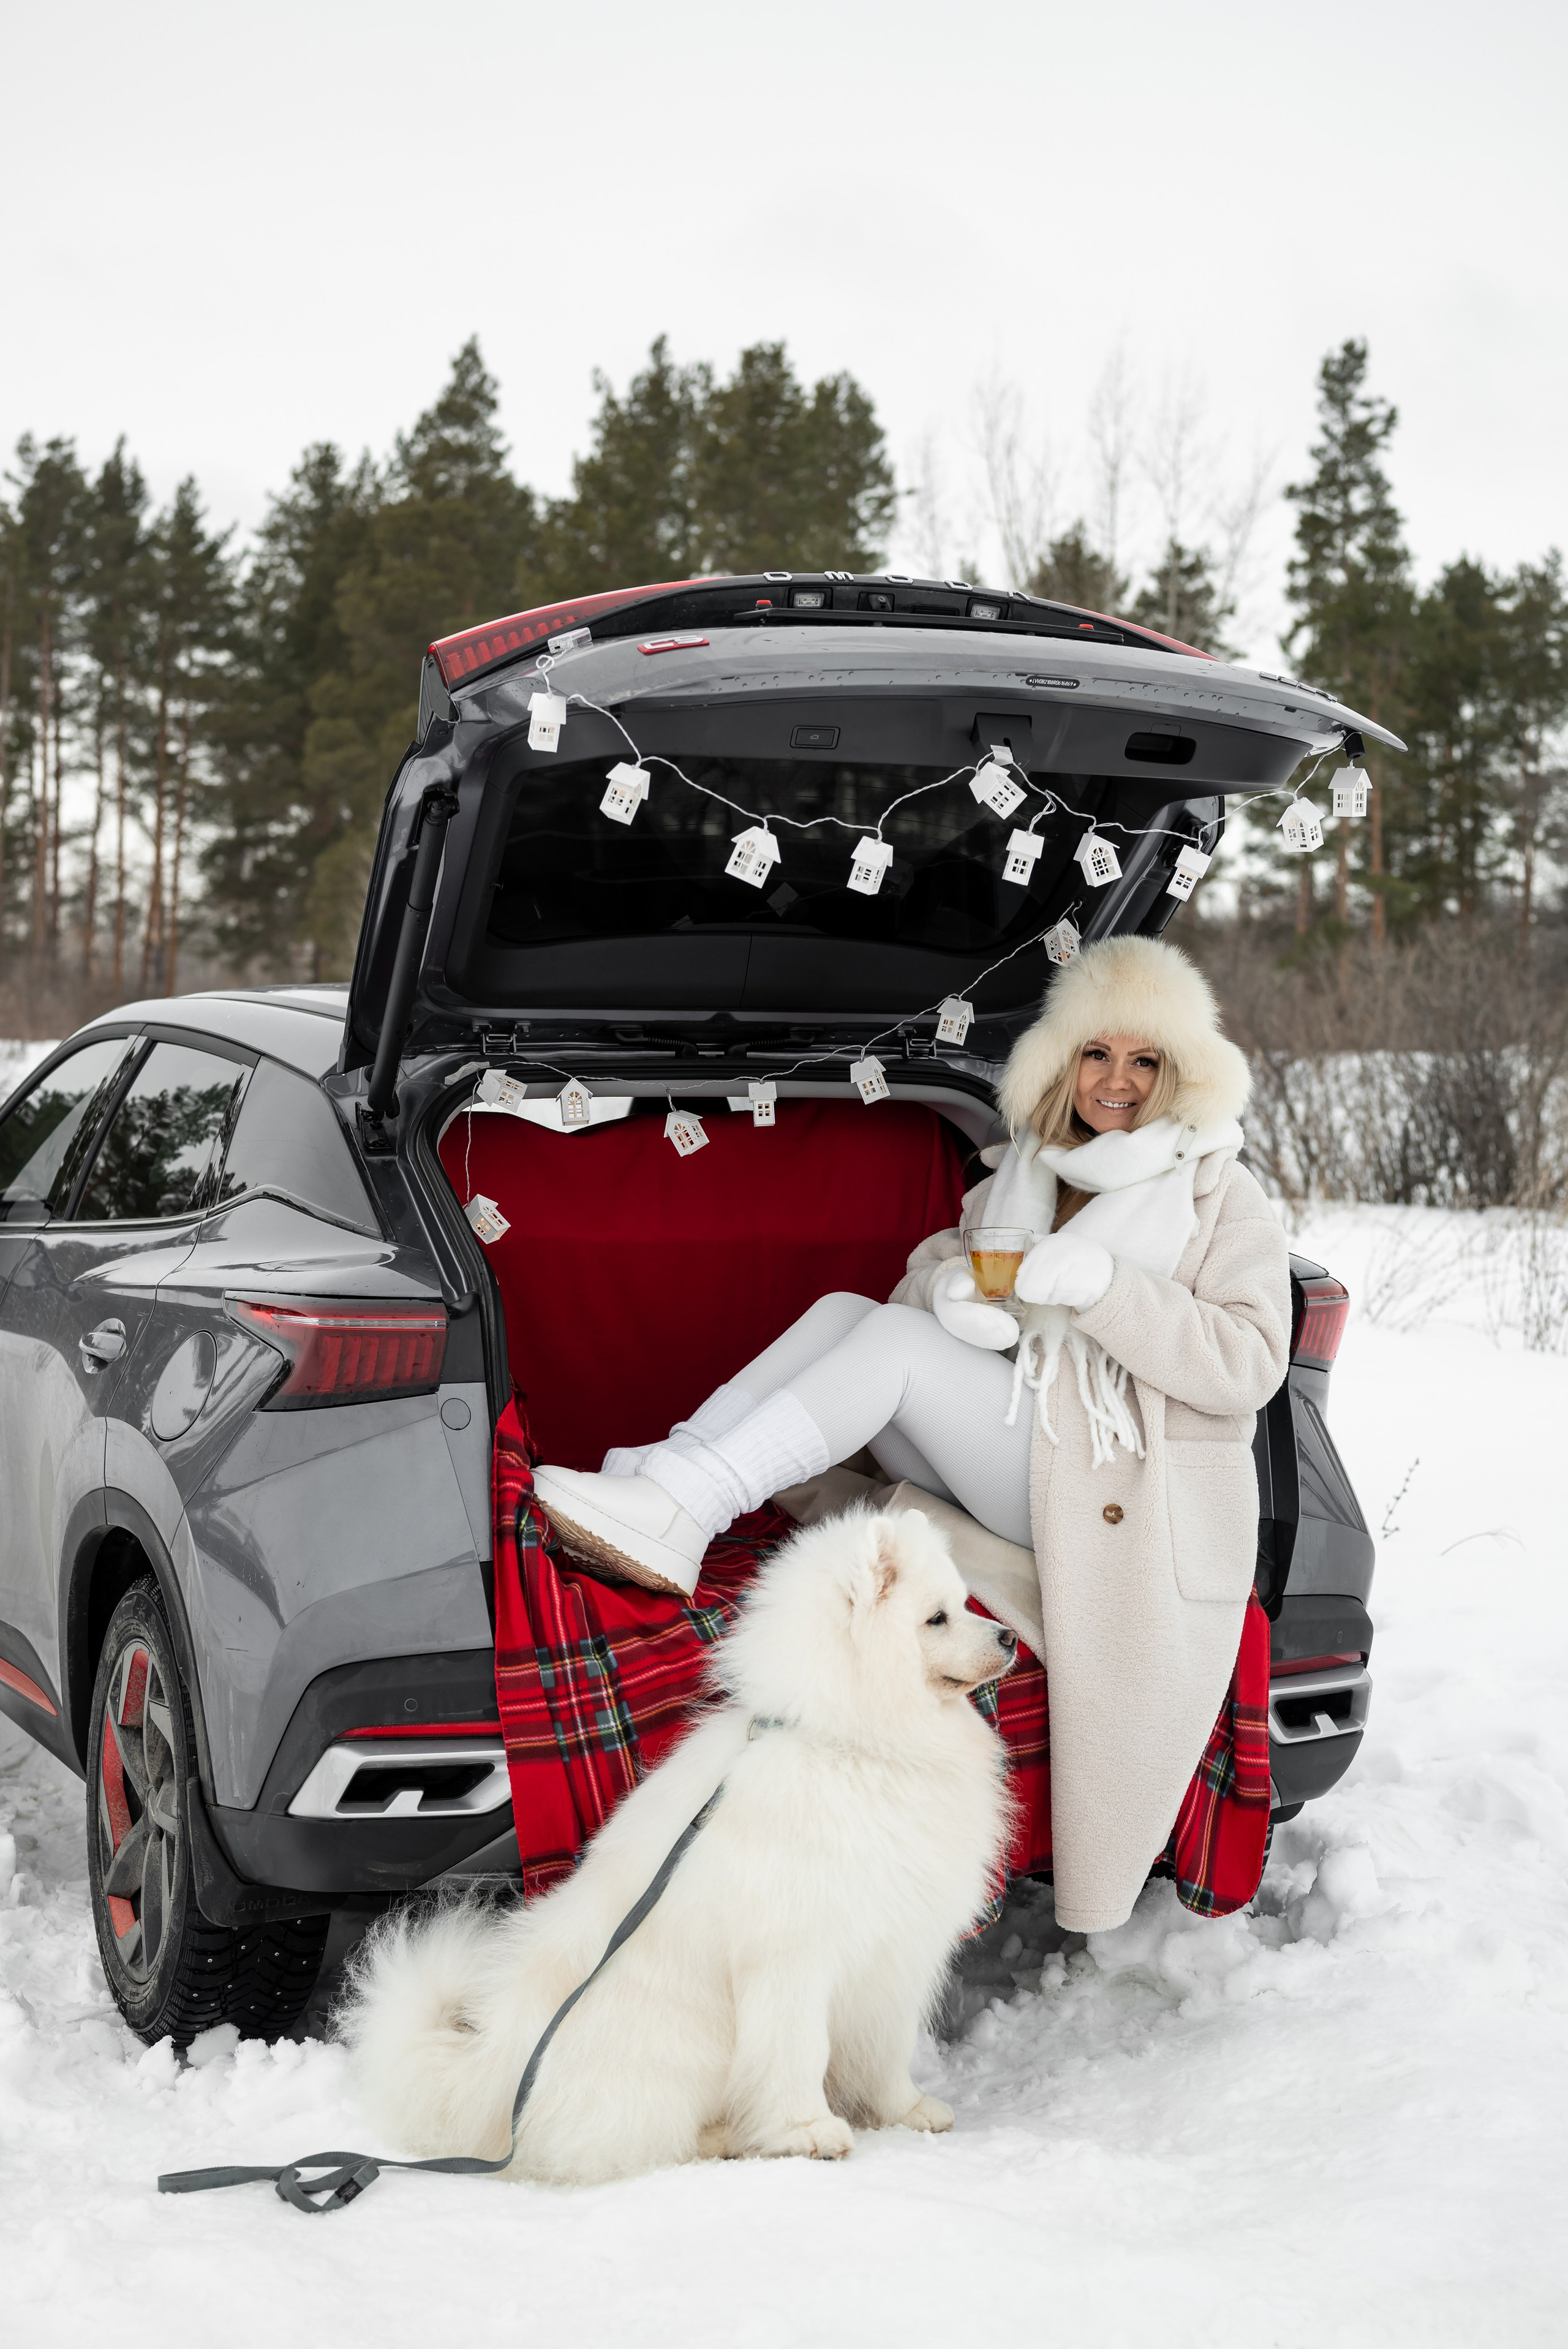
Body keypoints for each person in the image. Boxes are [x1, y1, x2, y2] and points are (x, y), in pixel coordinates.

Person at [535, 934, 1292, 1929]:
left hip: (1111, 1488)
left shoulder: (1215, 1193)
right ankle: (671, 1482)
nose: (1117, 1082)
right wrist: (946, 1289)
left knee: (890, 1344)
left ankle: (693, 1502)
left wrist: (1110, 1291)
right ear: (1059, 1064)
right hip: (1026, 1445)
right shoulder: (1029, 1171)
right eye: (1095, 1056)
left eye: (1145, 1061)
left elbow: (1248, 1363)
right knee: (856, 1312)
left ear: (1180, 1074)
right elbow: (934, 1272)